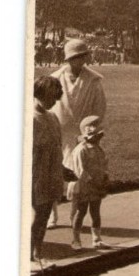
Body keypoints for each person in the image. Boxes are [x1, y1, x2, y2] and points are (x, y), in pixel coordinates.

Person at [49, 39, 107, 228]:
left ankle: (74, 215)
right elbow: (48, 106)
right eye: (76, 57)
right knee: (55, 172)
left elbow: (99, 107)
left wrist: (91, 131)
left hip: (82, 134)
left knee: (79, 175)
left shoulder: (93, 80)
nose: (80, 61)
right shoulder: (56, 78)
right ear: (69, 58)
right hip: (58, 131)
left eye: (83, 56)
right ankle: (52, 215)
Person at [32, 76, 64, 263]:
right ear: (39, 94)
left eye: (56, 98)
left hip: (51, 175)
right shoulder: (31, 119)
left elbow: (56, 148)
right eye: (50, 97)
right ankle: (29, 256)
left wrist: (63, 169)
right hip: (36, 176)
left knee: (44, 216)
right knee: (34, 217)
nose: (53, 102)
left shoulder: (52, 118)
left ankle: (38, 253)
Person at [65, 115, 110, 250]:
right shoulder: (81, 150)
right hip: (83, 186)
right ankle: (76, 240)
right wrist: (94, 183)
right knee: (81, 212)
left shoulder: (98, 149)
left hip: (97, 185)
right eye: (97, 136)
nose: (100, 138)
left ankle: (96, 239)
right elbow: (81, 172)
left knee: (95, 212)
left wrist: (104, 178)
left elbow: (103, 165)